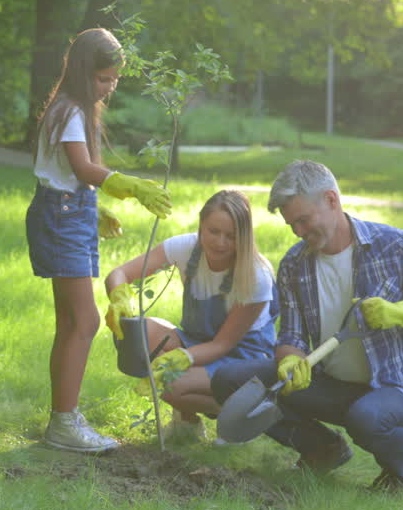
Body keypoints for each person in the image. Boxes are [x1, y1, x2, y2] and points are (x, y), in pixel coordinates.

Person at [210, 160, 403, 492]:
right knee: (229, 380)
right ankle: (323, 449)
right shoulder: (294, 264)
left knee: (367, 418)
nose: (298, 232)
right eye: (291, 225)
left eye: (303, 220)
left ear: (331, 200)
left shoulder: (392, 246)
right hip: (331, 382)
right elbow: (291, 334)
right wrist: (290, 358)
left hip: (394, 386)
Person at [25, 27, 172, 453]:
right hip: (61, 216)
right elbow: (83, 168)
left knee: (71, 322)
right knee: (85, 321)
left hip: (70, 211)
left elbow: (78, 171)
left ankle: (63, 418)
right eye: (102, 79)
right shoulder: (69, 110)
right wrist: (128, 186)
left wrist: (96, 207)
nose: (108, 88)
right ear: (82, 71)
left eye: (114, 80)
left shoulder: (78, 109)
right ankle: (64, 424)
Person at [103, 189, 277, 442]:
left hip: (242, 354)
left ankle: (240, 410)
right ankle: (188, 424)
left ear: (245, 237)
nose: (220, 242)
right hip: (200, 340)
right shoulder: (186, 248)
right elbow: (119, 273)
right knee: (139, 334)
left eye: (231, 236)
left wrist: (180, 358)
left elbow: (223, 345)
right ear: (201, 226)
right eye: (213, 232)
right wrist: (118, 296)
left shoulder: (256, 275)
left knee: (168, 383)